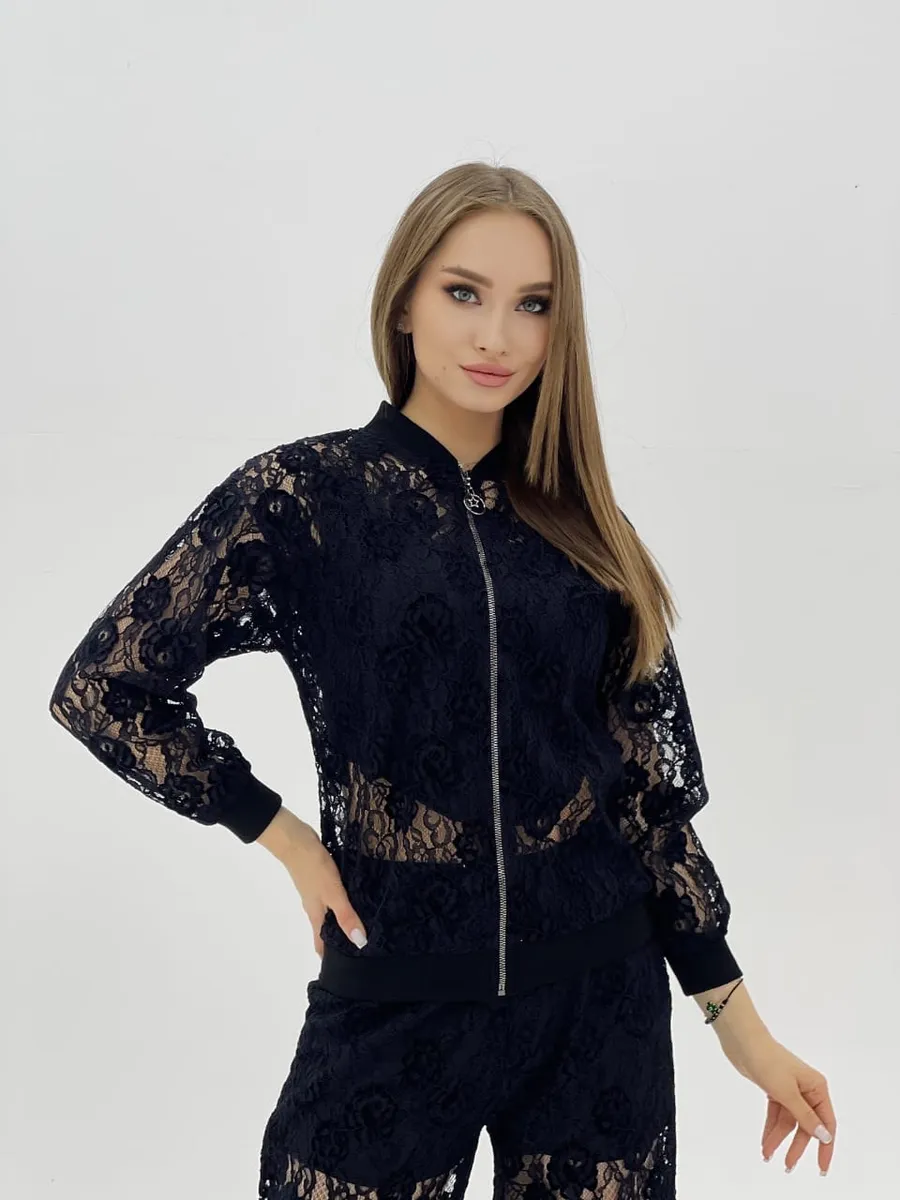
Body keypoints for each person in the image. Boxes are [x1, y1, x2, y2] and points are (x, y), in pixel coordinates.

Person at [48, 161, 836, 1198]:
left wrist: (742, 1027)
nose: (496, 336)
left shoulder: (585, 526)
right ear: (405, 300)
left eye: (533, 305)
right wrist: (282, 835)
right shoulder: (305, 496)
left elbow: (645, 797)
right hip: (395, 1003)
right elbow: (106, 686)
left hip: (598, 1011)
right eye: (465, 292)